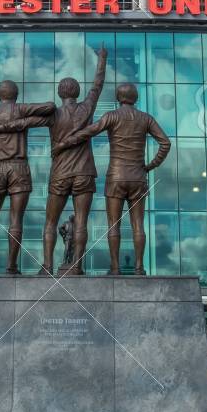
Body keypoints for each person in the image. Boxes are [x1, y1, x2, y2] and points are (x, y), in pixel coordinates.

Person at [57, 82, 171, 275]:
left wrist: (65, 142)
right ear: (136, 98)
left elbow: (89, 131)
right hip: (138, 177)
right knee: (138, 225)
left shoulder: (112, 116)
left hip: (116, 176)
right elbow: (165, 143)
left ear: (118, 98)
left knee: (113, 225)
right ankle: (139, 267)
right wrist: (151, 165)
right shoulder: (146, 118)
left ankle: (115, 268)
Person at [0, 82, 56, 274]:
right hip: (18, 167)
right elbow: (50, 106)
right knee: (16, 219)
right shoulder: (20, 109)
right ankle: (11, 266)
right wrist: (25, 120)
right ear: (15, 95)